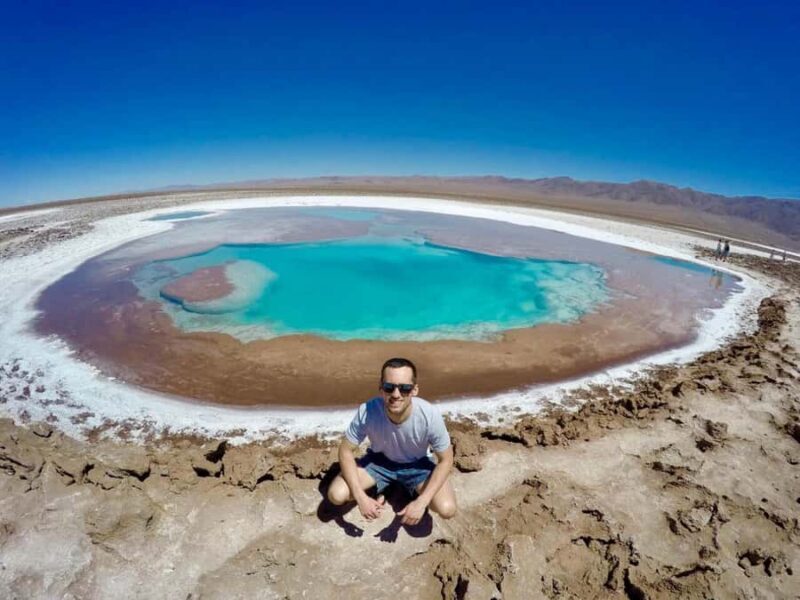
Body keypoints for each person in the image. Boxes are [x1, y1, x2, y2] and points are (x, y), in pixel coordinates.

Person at [327, 357, 457, 525]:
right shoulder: (368, 411)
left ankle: (405, 491)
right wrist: (360, 497)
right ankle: (376, 490)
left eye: (404, 388)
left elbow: (446, 459)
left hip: (418, 465)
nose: (396, 394)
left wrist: (422, 502)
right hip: (379, 462)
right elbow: (345, 450)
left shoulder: (429, 415)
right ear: (381, 388)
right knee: (336, 495)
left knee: (447, 509)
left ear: (414, 390)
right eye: (389, 387)